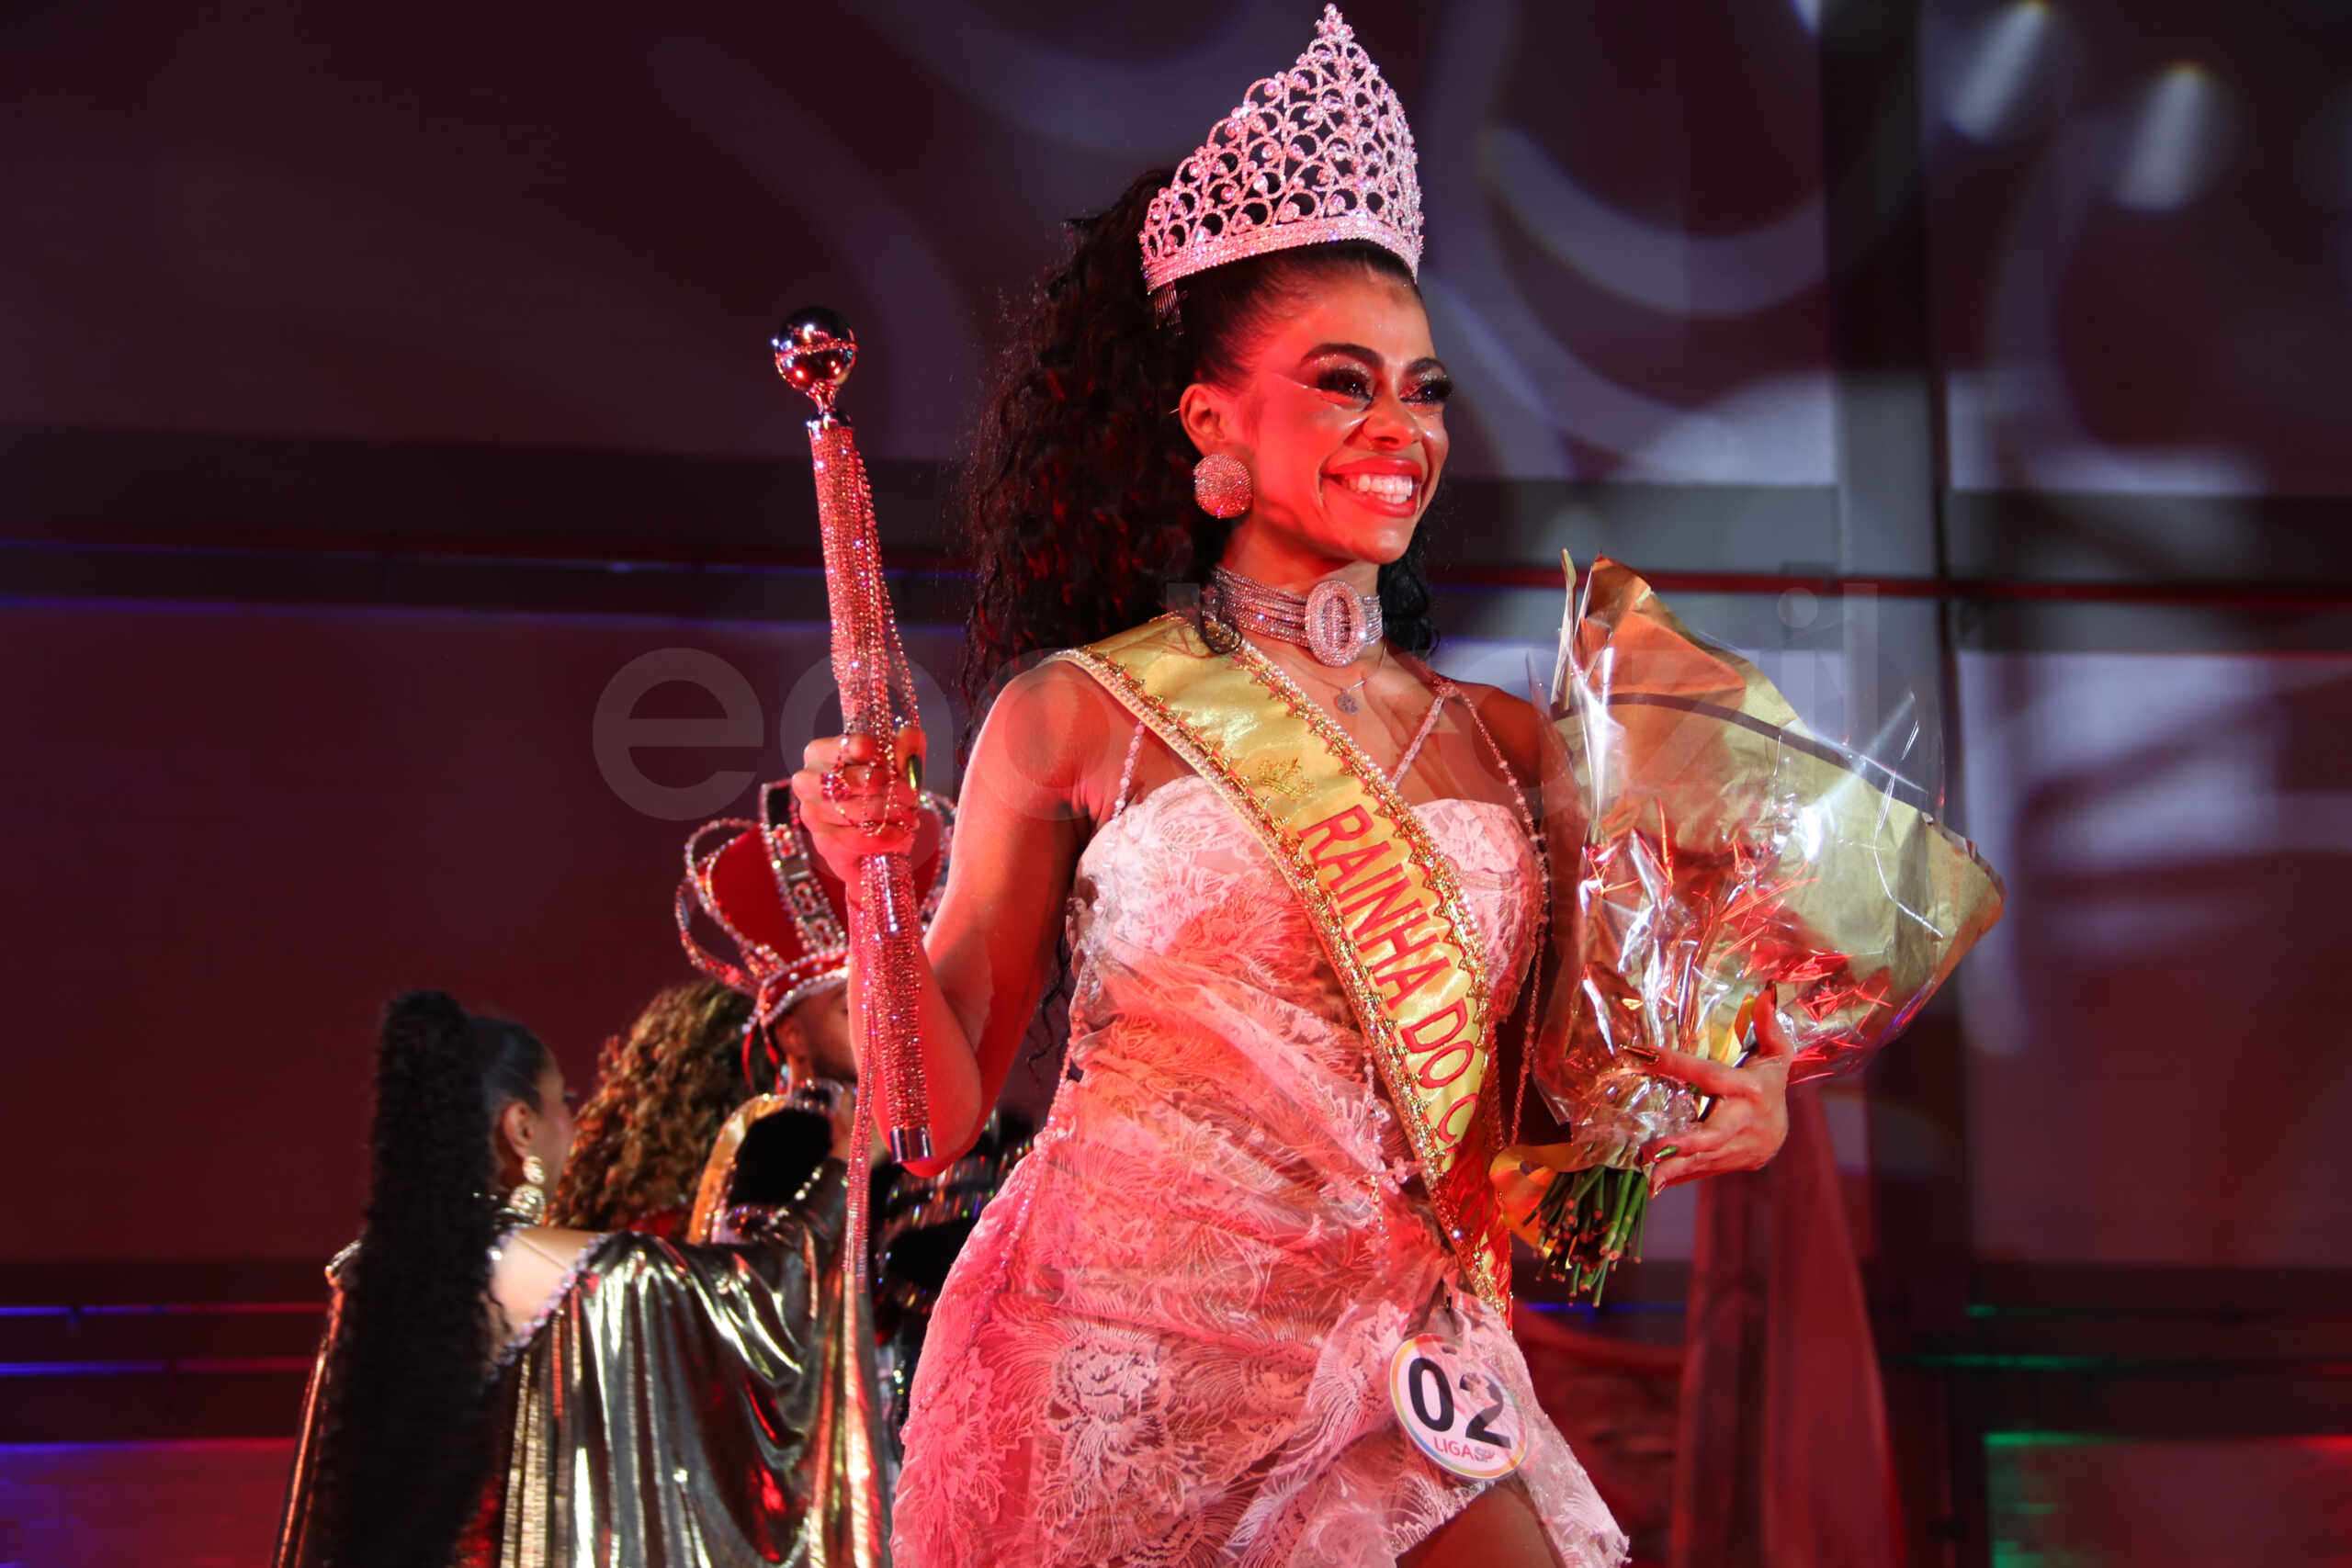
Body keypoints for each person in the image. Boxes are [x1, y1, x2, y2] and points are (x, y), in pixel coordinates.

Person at [790, 9, 1794, 1566]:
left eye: (1427, 389)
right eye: (1343, 383)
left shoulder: (1516, 741)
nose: (1401, 428)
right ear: (1213, 429)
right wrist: (869, 880)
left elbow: (1573, 1085)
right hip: (1123, 1352)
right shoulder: (1079, 712)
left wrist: (1731, 1087)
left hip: (1403, 1352)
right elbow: (936, 1112)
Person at [273, 990, 886, 1568]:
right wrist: (844, 1170)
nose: (575, 1122)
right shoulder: (601, 1277)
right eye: (563, 1102)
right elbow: (762, 1304)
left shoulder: (364, 1281)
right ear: (520, 1128)